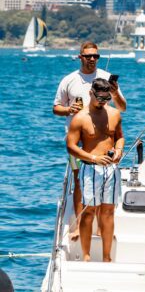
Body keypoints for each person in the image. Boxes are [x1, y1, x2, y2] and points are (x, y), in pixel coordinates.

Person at [53, 42, 127, 238]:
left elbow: (122, 107)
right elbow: (56, 108)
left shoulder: (106, 78)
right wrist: (69, 110)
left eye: (96, 56)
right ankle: (78, 225)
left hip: (104, 139)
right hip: (78, 140)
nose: (92, 59)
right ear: (80, 57)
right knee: (79, 180)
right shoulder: (69, 80)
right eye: (88, 56)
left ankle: (103, 227)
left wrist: (115, 91)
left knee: (105, 182)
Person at [66, 79, 124, 262]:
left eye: (106, 98)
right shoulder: (80, 118)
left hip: (111, 169)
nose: (102, 101)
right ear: (91, 93)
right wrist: (93, 157)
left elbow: (119, 137)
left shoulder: (114, 114)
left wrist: (119, 150)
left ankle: (107, 257)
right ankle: (86, 255)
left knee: (108, 212)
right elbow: (71, 146)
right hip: (90, 168)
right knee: (89, 211)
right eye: (99, 97)